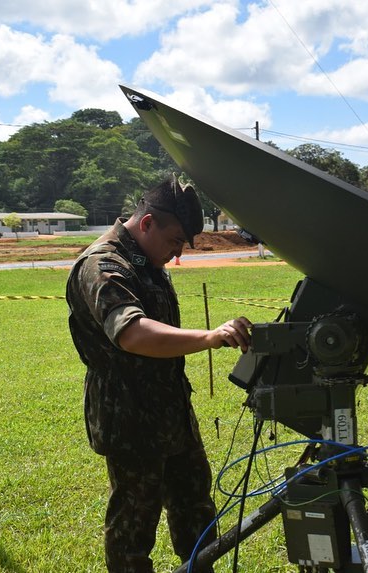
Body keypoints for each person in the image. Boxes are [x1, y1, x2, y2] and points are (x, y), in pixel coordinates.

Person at [66, 174, 252, 572]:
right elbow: (131, 333)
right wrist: (209, 336)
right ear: (147, 222)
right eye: (174, 241)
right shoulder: (102, 264)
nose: (177, 252)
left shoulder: (145, 260)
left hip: (171, 410)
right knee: (134, 525)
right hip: (130, 417)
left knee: (197, 514)